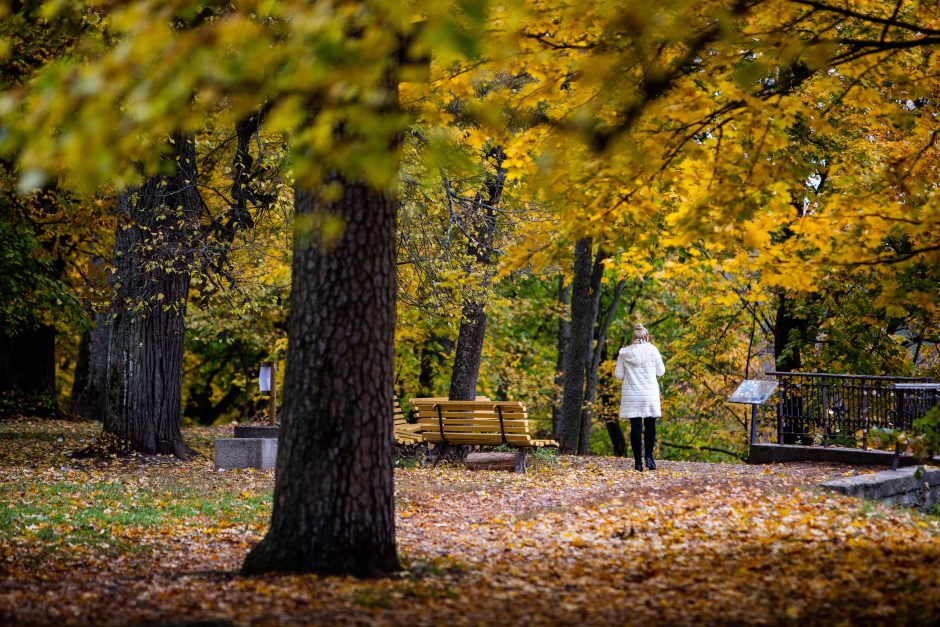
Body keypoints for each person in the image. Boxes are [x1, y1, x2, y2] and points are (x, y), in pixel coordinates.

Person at [615, 323, 666, 472]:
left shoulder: (624, 353)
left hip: (632, 395)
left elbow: (618, 375)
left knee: (635, 427)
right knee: (651, 425)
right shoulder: (653, 350)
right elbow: (661, 371)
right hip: (649, 394)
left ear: (633, 338)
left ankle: (638, 463)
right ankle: (649, 458)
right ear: (646, 336)